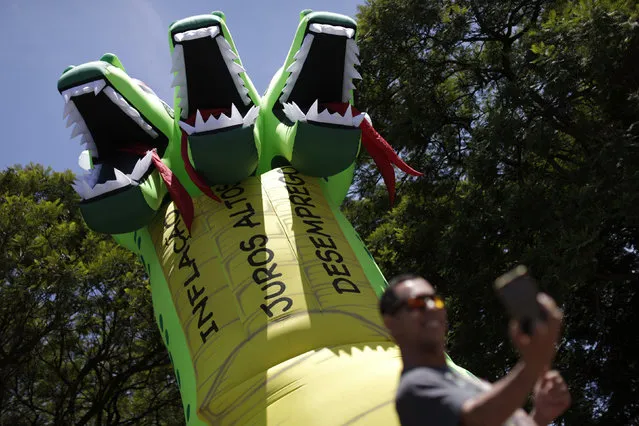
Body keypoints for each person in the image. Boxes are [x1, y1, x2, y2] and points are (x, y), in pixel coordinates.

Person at [380, 274, 571, 426]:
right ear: (391, 323)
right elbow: (480, 419)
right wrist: (533, 364)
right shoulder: (415, 387)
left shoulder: (468, 381)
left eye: (435, 300)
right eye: (417, 303)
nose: (431, 307)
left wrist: (541, 415)